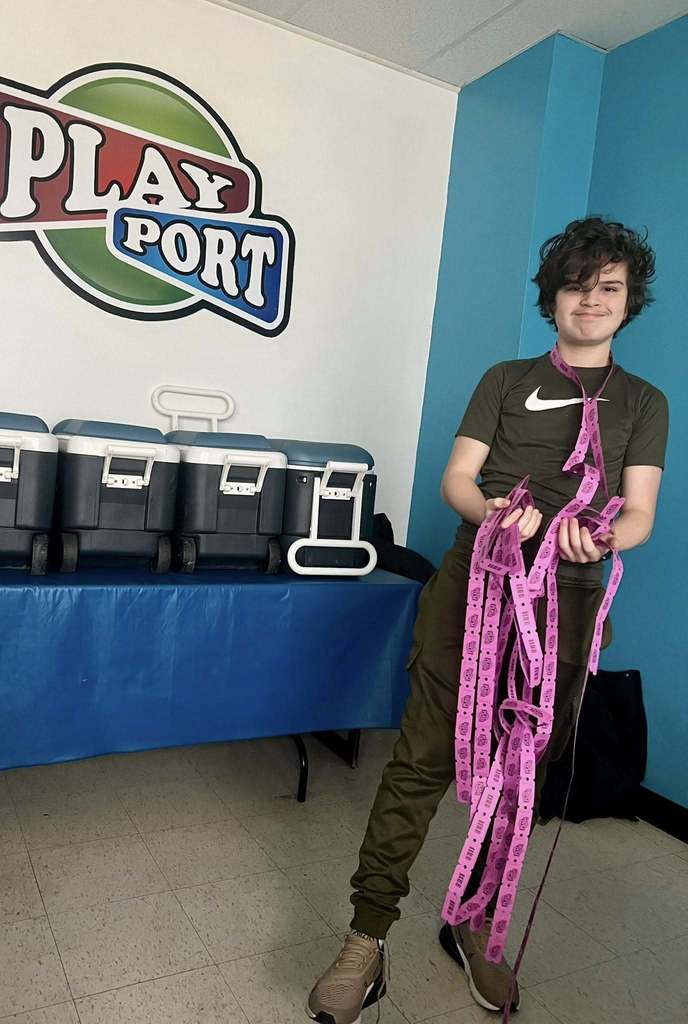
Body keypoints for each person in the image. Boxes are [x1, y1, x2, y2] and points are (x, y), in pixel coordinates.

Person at [307, 217, 668, 1023]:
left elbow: (640, 511)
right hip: (475, 585)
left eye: (609, 287)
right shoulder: (505, 379)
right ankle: (366, 938)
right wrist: (498, 513)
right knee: (426, 755)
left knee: (523, 769)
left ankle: (473, 922)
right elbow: (457, 482)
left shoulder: (646, 402)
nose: (592, 300)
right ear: (553, 298)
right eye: (578, 285)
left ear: (628, 300)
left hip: (569, 599)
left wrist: (603, 535)